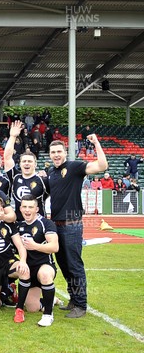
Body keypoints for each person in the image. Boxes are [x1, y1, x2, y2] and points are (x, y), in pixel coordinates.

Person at [48, 134, 107, 318]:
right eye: (53, 152)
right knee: (64, 266)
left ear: (65, 152)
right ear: (49, 154)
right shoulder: (51, 172)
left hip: (72, 225)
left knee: (74, 265)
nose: (56, 155)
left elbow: (102, 166)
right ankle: (73, 298)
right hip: (56, 225)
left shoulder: (74, 167)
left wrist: (96, 143)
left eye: (59, 151)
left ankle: (81, 304)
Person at [13, 195, 59, 327]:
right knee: (32, 308)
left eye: (30, 207)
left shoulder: (46, 223)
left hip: (44, 266)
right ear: (20, 208)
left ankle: (48, 315)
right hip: (28, 269)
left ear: (37, 209)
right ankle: (51, 300)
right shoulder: (18, 225)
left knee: (45, 274)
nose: (27, 210)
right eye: (25, 207)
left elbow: (54, 247)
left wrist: (35, 246)